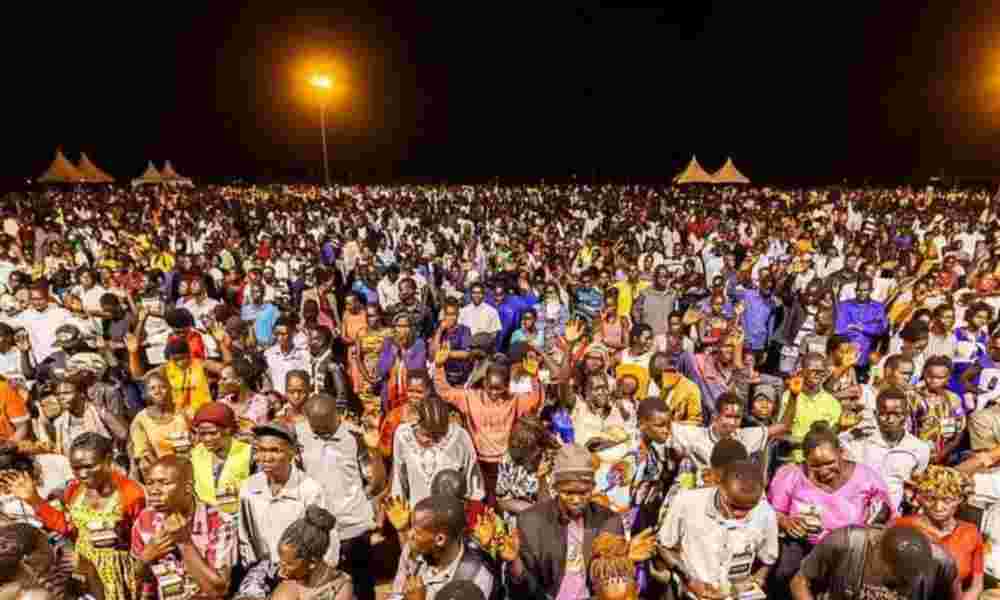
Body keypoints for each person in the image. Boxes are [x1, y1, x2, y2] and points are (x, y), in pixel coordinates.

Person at [4, 433, 145, 600]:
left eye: (89, 466)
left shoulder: (131, 494)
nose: (82, 474)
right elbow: (67, 528)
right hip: (84, 570)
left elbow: (142, 538)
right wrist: (33, 499)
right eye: (76, 468)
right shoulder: (74, 490)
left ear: (107, 460)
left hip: (121, 571)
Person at [767, 422, 893, 597]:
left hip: (848, 549)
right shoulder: (792, 475)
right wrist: (786, 521)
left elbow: (883, 513)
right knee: (784, 572)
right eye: (815, 466)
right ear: (805, 460)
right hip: (804, 545)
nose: (824, 471)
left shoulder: (867, 478)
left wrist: (867, 530)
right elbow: (771, 512)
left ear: (841, 453)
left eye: (829, 463)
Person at [507, 444, 625, 600]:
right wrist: (514, 562)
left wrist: (627, 559)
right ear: (555, 487)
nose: (576, 500)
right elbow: (523, 589)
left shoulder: (609, 521)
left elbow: (614, 582)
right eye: (568, 492)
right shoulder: (531, 522)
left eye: (583, 493)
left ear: (593, 487)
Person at [297, 393, 384, 600]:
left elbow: (376, 483)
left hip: (353, 527)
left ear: (338, 416)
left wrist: (375, 452)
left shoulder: (355, 438)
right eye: (317, 429)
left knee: (362, 587)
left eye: (327, 427)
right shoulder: (298, 437)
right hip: (317, 529)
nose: (323, 433)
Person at [657, 459, 778, 600]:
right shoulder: (686, 502)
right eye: (733, 506)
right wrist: (690, 581)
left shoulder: (765, 513)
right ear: (720, 487)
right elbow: (664, 546)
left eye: (748, 508)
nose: (739, 514)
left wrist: (758, 580)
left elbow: (768, 559)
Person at [131, 455, 237, 600]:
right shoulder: (145, 520)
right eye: (150, 483)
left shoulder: (219, 522)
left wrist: (184, 542)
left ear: (187, 487)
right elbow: (133, 578)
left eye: (164, 483)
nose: (154, 490)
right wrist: (145, 558)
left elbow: (218, 590)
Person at [790, 524, 961, 600]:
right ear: (876, 550)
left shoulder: (942, 563)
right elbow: (800, 581)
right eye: (896, 575)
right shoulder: (845, 542)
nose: (901, 581)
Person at [894, 466, 984, 600]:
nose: (938, 507)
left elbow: (977, 584)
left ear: (959, 499)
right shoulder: (901, 526)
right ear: (920, 498)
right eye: (931, 498)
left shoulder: (970, 533)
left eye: (947, 500)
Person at [841, 387, 932, 515]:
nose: (890, 420)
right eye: (884, 414)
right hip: (859, 515)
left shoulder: (919, 448)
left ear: (906, 415)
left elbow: (916, 483)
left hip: (896, 520)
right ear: (875, 414)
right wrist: (849, 435)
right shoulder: (859, 442)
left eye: (897, 414)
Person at [388, 494, 497, 600]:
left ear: (440, 539)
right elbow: (396, 594)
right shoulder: (415, 550)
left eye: (417, 532)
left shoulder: (476, 578)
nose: (409, 534)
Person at [390, 395, 484, 507]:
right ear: (418, 422)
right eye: (427, 434)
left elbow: (472, 477)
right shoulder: (403, 435)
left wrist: (473, 508)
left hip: (451, 514)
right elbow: (399, 478)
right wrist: (399, 511)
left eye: (438, 436)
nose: (431, 440)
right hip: (417, 514)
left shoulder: (460, 436)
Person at [271, 506, 353, 600]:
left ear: (312, 563)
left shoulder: (340, 588)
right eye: (281, 561)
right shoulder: (291, 583)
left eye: (289, 564)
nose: (281, 572)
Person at [190, 402, 252, 515]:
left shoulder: (248, 453)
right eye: (202, 434)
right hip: (206, 520)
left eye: (213, 433)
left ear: (227, 430)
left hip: (241, 517)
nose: (207, 438)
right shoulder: (196, 454)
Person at [130, 372, 191, 482]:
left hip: (186, 465)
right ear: (147, 393)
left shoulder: (182, 414)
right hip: (159, 469)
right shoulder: (141, 419)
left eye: (162, 387)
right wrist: (164, 472)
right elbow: (144, 453)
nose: (158, 391)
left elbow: (193, 444)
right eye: (152, 388)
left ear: (169, 389)